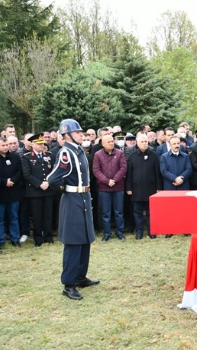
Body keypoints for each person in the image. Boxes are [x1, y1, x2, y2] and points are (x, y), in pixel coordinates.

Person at [46, 119, 99, 301]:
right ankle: (68, 284)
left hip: (84, 198)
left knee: (85, 240)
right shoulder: (66, 153)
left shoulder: (79, 152)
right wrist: (65, 189)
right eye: (77, 133)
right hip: (73, 199)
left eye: (80, 132)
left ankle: (80, 277)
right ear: (67, 135)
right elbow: (53, 179)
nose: (81, 135)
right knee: (73, 243)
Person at [21, 133, 56, 246]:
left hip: (48, 189)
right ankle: (38, 238)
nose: (42, 146)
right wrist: (39, 184)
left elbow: (54, 170)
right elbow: (27, 174)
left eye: (43, 144)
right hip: (35, 191)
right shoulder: (27, 157)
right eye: (39, 144)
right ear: (32, 144)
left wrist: (48, 182)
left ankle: (48, 236)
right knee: (36, 216)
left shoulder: (50, 155)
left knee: (48, 214)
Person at [0, 137, 24, 247]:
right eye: (3, 145)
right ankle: (1, 240)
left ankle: (15, 239)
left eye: (6, 145)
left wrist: (12, 180)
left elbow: (20, 171)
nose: (5, 147)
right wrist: (4, 182)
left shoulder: (15, 156)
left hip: (14, 191)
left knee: (14, 216)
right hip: (0, 193)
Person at [126, 134, 163, 240]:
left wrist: (159, 188)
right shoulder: (132, 156)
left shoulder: (154, 155)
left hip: (151, 189)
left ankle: (152, 231)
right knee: (137, 212)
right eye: (142, 142)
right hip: (136, 189)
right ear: (137, 143)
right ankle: (139, 231)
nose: (144, 143)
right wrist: (128, 188)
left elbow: (157, 173)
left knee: (150, 212)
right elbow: (129, 174)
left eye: (146, 141)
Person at [93, 134, 128, 241]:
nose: (111, 143)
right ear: (103, 144)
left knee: (119, 212)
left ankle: (119, 232)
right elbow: (96, 170)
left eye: (112, 141)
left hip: (118, 187)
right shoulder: (97, 155)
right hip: (104, 188)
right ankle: (107, 233)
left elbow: (123, 168)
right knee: (106, 213)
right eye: (108, 142)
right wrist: (107, 181)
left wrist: (115, 180)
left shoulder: (120, 153)